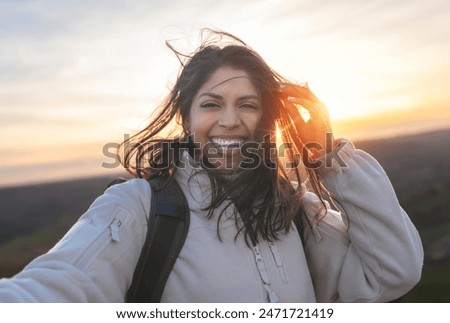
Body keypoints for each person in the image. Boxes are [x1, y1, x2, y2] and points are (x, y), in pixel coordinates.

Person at [0, 30, 423, 302]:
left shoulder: (297, 211)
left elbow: (395, 271)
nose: (229, 120)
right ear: (185, 117)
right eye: (211, 104)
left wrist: (326, 156)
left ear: (267, 119)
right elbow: (58, 287)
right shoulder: (137, 208)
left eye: (248, 105)